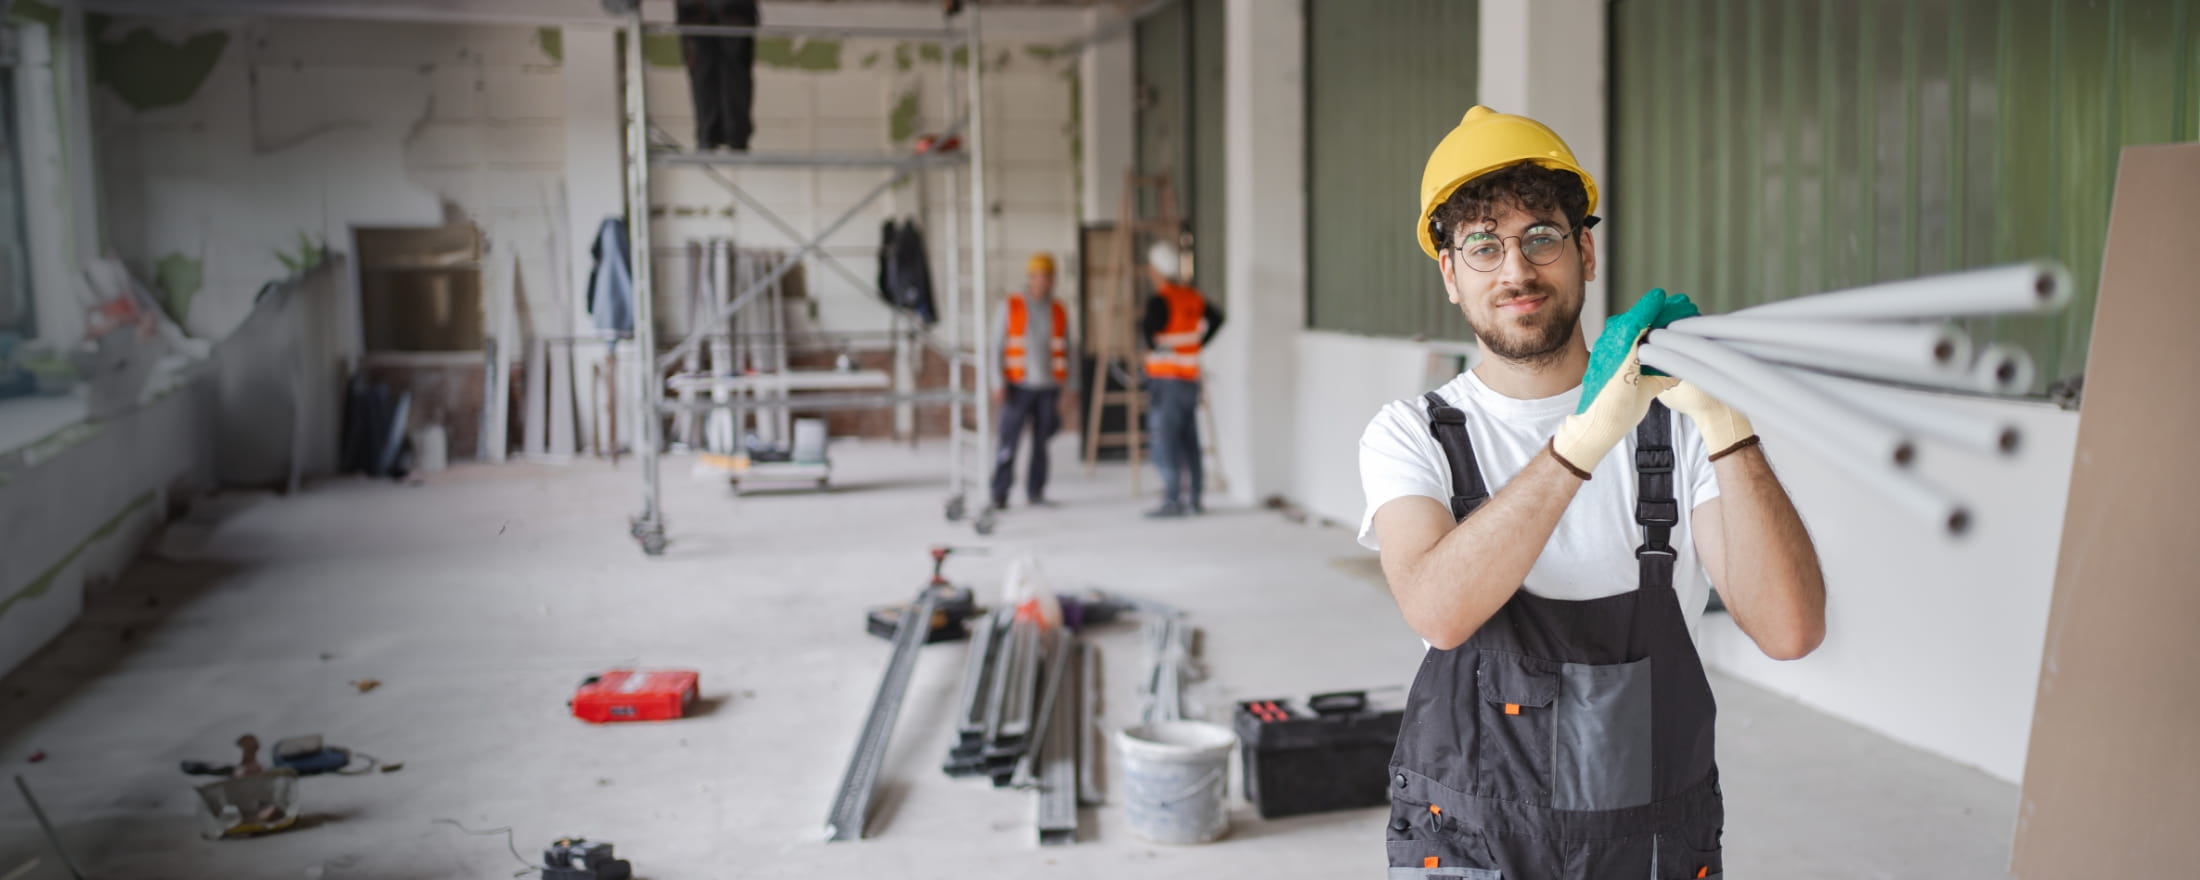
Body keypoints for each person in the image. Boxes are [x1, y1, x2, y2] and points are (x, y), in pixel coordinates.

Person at [1359, 106, 1827, 878]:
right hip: (1472, 847)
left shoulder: (1680, 426)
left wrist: (1729, 423)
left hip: (1647, 849)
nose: (1514, 271)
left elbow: (1789, 629)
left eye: (1540, 236)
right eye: (1482, 246)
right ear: (1450, 273)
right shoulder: (1410, 434)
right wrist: (1579, 443)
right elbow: (1438, 612)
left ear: (1584, 250)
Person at [1141, 241, 1224, 518]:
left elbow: (1149, 336)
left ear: (1157, 271)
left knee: (1166, 442)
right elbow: (1218, 318)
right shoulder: (1192, 297)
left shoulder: (1160, 301)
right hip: (1189, 379)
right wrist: (1200, 343)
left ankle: (1173, 500)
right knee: (1190, 441)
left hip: (1167, 382)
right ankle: (1195, 499)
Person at [991, 252, 1072, 511]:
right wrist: (997, 382)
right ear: (1030, 278)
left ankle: (1036, 491)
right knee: (1008, 441)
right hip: (1017, 386)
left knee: (1041, 443)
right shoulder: (1011, 305)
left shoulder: (1058, 309)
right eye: (1039, 276)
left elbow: (1070, 348)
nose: (1043, 282)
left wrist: (1071, 386)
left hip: (1048, 388)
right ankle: (1000, 493)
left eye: (1048, 277)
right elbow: (995, 346)